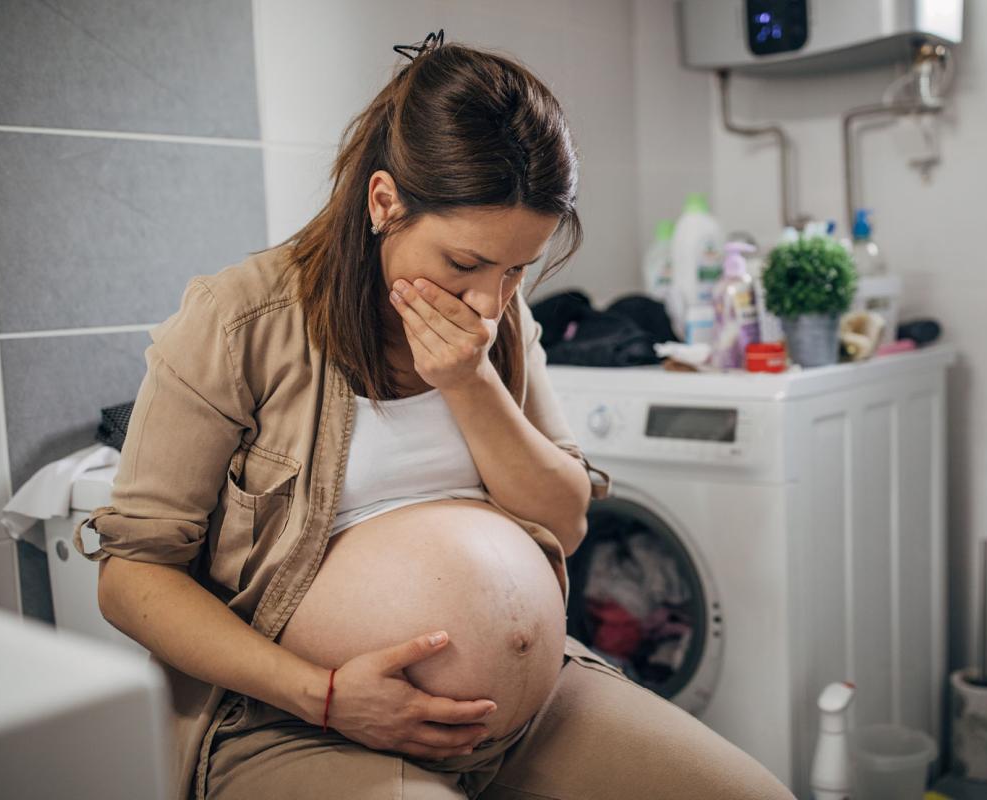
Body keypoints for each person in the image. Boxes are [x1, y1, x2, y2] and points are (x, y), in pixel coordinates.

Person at [75, 31, 796, 800]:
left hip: (534, 709)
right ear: (385, 201)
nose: (491, 298)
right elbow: (131, 578)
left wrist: (471, 381)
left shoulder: (500, 322)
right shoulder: (239, 320)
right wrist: (321, 695)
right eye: (465, 263)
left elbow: (567, 518)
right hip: (298, 719)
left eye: (518, 267)